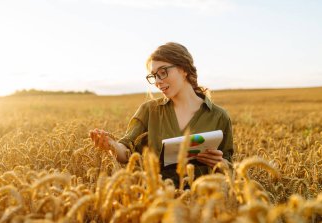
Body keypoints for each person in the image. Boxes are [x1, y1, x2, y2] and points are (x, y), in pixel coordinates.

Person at [90, 42, 233, 184]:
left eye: (163, 72)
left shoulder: (219, 116)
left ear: (184, 69)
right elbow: (126, 151)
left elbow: (229, 169)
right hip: (154, 200)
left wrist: (221, 164)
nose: (158, 81)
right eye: (154, 76)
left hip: (200, 203)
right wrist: (111, 145)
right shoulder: (149, 110)